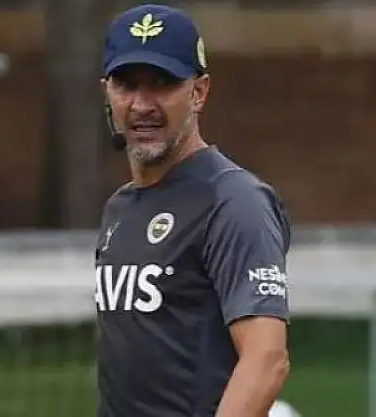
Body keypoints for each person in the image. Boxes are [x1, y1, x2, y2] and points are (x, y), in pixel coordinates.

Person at [94, 4, 292, 417]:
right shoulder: (119, 208)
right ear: (106, 93)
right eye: (126, 85)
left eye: (162, 83)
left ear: (198, 92)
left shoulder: (233, 200)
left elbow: (267, 359)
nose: (142, 104)